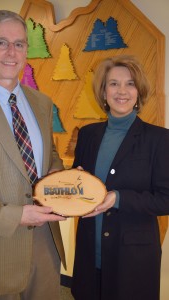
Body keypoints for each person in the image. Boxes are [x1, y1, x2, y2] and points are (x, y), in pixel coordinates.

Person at [0, 10, 66, 300]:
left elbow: (50, 154)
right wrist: (15, 215)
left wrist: (57, 175)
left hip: (45, 245)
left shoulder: (42, 102)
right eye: (1, 42)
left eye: (19, 44)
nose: (11, 52)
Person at [71, 54, 169, 300]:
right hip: (89, 251)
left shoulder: (159, 139)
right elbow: (78, 187)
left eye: (130, 83)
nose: (121, 91)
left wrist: (117, 198)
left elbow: (165, 199)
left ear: (139, 92)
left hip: (132, 258)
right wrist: (73, 183)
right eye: (113, 83)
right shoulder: (87, 134)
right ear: (103, 92)